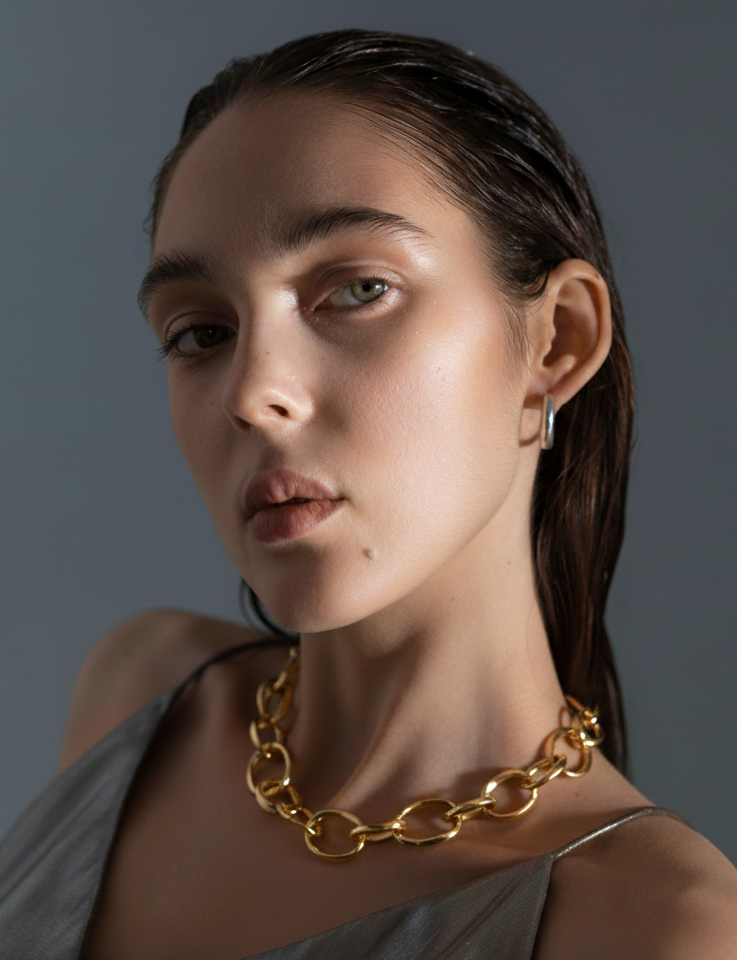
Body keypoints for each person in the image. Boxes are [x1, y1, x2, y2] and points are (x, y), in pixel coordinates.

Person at [0, 28, 735, 960]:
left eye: (356, 289)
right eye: (200, 332)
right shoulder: (143, 693)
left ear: (555, 344)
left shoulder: (654, 925)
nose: (253, 394)